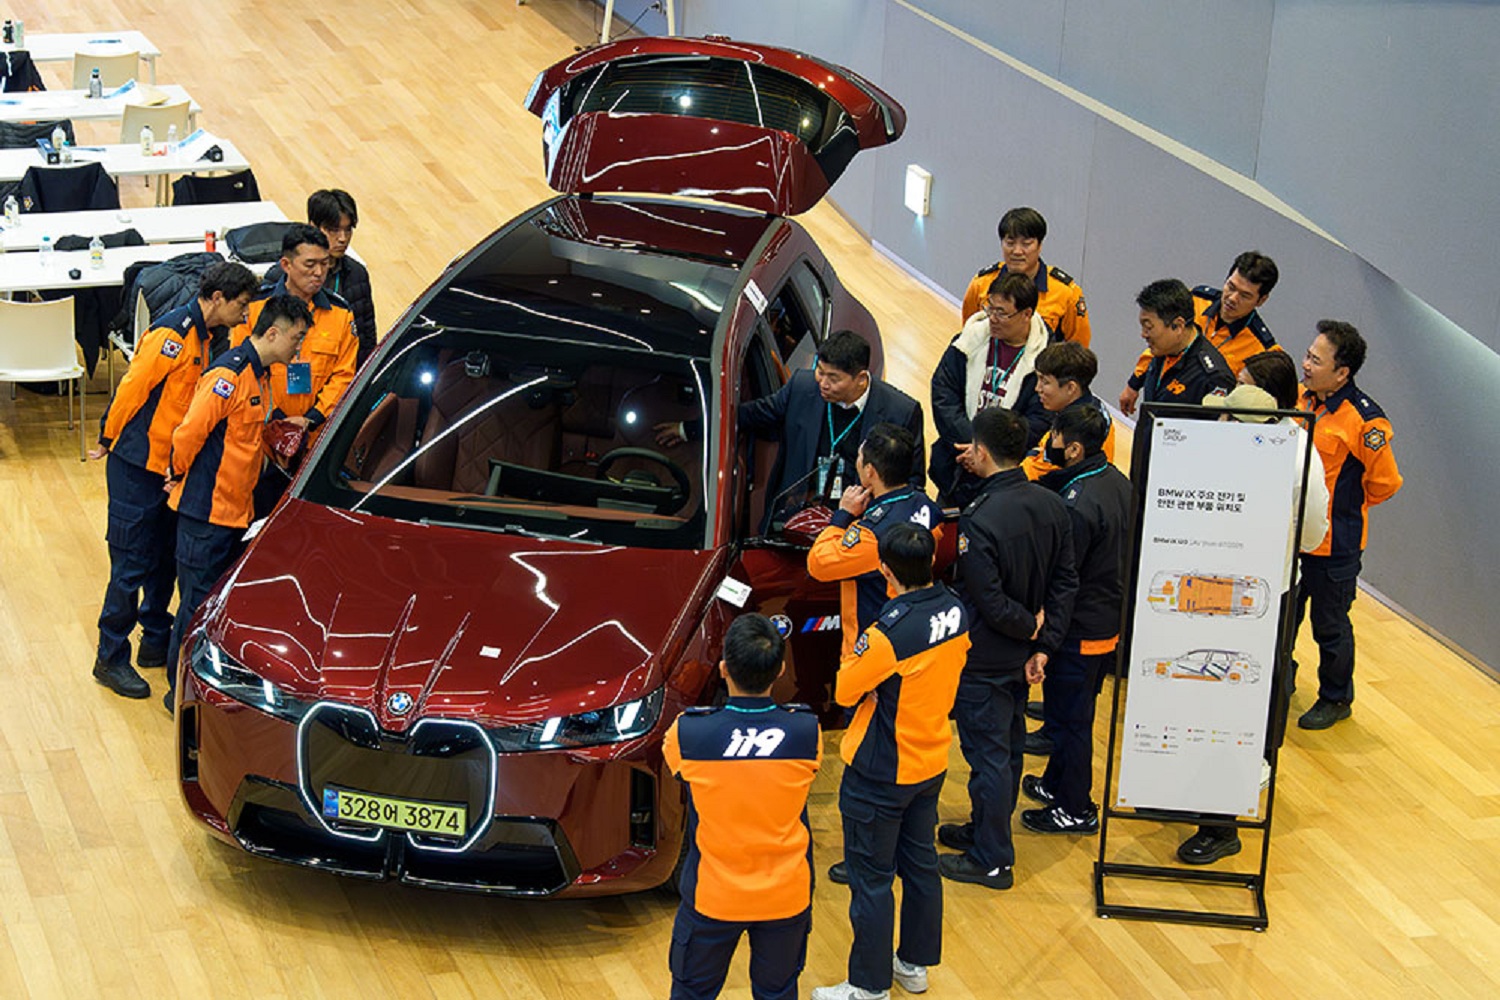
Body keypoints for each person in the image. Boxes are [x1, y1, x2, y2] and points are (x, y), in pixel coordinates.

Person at [1175, 366, 1332, 864]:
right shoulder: (1223, 440)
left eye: (1242, 389)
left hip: (1263, 594)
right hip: (1204, 587)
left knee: (1239, 702)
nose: (1227, 399)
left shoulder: (1298, 456)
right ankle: (1184, 785)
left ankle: (1221, 824)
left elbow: (1313, 532)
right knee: (1198, 693)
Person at [812, 524, 970, 1000]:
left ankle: (868, 985)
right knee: (921, 866)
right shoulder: (956, 609)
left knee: (872, 880)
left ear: (884, 570)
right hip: (931, 760)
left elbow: (845, 691)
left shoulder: (889, 633)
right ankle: (913, 966)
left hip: (880, 771)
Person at [88, 262, 260, 699]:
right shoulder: (172, 335)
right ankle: (110, 657)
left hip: (168, 472)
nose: (245, 315)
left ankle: (154, 639)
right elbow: (132, 389)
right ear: (217, 298)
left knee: (164, 561)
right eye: (241, 305)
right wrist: (107, 436)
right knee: (130, 565)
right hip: (136, 467)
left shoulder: (209, 338)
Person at [940, 407, 1077, 890]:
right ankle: (985, 828)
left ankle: (992, 858)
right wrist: (1045, 643)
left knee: (989, 757)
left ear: (980, 451)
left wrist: (1030, 632)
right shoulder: (1053, 504)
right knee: (1009, 748)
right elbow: (1065, 582)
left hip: (985, 657)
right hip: (1024, 657)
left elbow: (990, 600)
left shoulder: (980, 518)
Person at [162, 296, 313, 715]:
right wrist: (176, 473)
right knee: (194, 607)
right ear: (273, 333)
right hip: (205, 514)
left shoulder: (260, 377)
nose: (299, 348)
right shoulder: (227, 376)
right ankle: (178, 693)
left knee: (214, 606)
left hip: (235, 512)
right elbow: (188, 434)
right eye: (297, 338)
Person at [662, 613, 821, 1000]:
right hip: (786, 896)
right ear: (780, 670)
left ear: (723, 669)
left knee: (692, 993)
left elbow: (675, 766)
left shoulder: (688, 734)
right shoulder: (807, 732)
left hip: (713, 896)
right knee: (778, 993)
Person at [660, 330, 924, 527]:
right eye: (820, 371)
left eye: (833, 378)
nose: (822, 383)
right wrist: (688, 429)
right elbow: (756, 414)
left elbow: (911, 483)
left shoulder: (901, 412)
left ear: (861, 379)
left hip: (858, 525)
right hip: (793, 516)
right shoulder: (802, 386)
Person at [1020, 405, 1132, 835]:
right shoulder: (1115, 480)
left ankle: (1075, 808)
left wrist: (1046, 637)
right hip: (1105, 619)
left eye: (1054, 437)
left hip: (1081, 629)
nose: (1048, 443)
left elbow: (1064, 578)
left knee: (1071, 722)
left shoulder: (1079, 505)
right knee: (1071, 714)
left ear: (1074, 448)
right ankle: (1055, 783)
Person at [1294, 321, 1402, 731]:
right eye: (1308, 355)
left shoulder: (1366, 421)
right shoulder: (1300, 398)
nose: (1306, 364)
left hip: (1334, 545)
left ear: (1342, 373)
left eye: (1315, 360)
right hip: (1292, 537)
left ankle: (1335, 698)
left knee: (1330, 626)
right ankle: (1281, 679)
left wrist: (1342, 507)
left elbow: (1385, 483)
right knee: (1284, 617)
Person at [231, 224, 358, 514]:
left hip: (314, 443)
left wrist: (309, 420)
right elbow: (242, 367)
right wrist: (277, 420)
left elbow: (344, 376)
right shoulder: (256, 309)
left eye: (325, 264)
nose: (319, 273)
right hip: (261, 441)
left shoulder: (340, 314)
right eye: (310, 265)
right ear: (286, 265)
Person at [807, 422, 944, 662]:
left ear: (870, 471)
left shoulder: (872, 535)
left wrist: (843, 515)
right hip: (914, 633)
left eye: (860, 457)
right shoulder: (927, 506)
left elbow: (818, 564)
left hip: (873, 647)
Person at [930, 271, 1051, 508]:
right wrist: (974, 446)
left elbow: (1039, 419)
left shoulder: (1045, 361)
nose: (992, 319)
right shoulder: (967, 341)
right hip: (957, 464)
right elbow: (944, 394)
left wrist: (989, 453)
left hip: (1004, 478)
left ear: (1027, 314)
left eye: (1002, 313)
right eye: (990, 309)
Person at [1120, 252, 1279, 416]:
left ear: (1261, 300)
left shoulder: (1262, 349)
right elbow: (1162, 340)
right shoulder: (1196, 299)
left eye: (1245, 295)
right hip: (1163, 390)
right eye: (1231, 287)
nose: (1232, 298)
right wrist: (1134, 383)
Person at [265, 189, 377, 366]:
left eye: (348, 230)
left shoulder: (357, 274)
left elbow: (366, 338)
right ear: (313, 226)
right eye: (334, 230)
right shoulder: (279, 276)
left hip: (341, 371)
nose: (343, 238)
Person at [960, 206, 1090, 347]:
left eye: (1026, 244)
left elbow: (1078, 349)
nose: (1017, 251)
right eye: (1010, 243)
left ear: (1039, 246)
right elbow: (969, 335)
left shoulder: (1066, 293)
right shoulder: (981, 284)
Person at [1128, 279, 1235, 433]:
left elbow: (1216, 437)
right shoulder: (1162, 350)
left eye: (1148, 327)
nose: (1143, 334)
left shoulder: (1213, 378)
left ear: (1178, 326)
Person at [1021, 340, 1118, 481]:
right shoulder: (1068, 411)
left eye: (1045, 382)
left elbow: (1046, 472)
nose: (1037, 388)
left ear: (1071, 388)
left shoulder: (1087, 425)